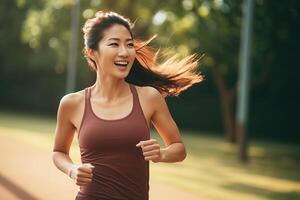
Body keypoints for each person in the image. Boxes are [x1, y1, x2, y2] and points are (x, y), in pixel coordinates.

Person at [52, 11, 203, 200]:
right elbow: (58, 152)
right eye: (114, 44)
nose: (125, 52)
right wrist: (72, 169)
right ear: (92, 52)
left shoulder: (149, 97)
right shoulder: (72, 103)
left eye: (129, 44)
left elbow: (178, 148)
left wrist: (161, 154)